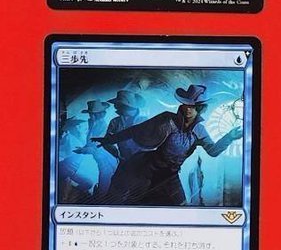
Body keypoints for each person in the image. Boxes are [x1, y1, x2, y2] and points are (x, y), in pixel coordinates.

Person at [95, 84, 241, 206]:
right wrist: (109, 140)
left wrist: (229, 137)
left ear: (200, 108)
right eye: (186, 105)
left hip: (169, 175)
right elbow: (136, 130)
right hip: (145, 168)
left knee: (179, 207)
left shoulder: (199, 130)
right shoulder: (167, 119)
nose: (188, 109)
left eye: (194, 106)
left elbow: (213, 151)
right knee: (127, 200)